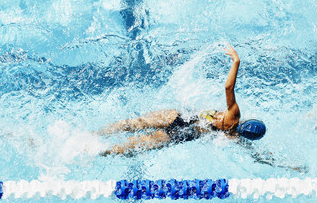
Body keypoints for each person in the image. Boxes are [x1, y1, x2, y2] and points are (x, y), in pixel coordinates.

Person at [100, 45, 266, 156]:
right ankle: (96, 150)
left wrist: (236, 62)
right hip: (183, 134)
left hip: (182, 117)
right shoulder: (235, 137)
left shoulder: (234, 116)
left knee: (134, 123)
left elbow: (228, 87)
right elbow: (258, 156)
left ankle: (95, 135)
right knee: (130, 147)